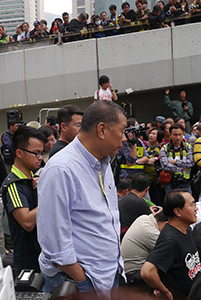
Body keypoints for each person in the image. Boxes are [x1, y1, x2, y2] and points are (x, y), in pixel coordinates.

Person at [37, 100, 127, 295]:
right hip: (79, 283)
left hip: (105, 275)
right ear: (101, 130)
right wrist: (82, 280)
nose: (125, 138)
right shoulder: (61, 169)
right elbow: (54, 242)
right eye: (122, 131)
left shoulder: (103, 162)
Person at [2, 126, 46, 277]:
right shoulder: (13, 184)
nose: (40, 157)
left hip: (43, 258)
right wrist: (49, 198)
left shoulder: (34, 179)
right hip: (29, 264)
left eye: (42, 153)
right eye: (36, 153)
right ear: (19, 153)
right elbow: (27, 222)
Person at [141, 189, 201, 299]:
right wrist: (165, 292)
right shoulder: (170, 239)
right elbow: (147, 271)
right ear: (177, 211)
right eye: (192, 205)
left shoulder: (186, 230)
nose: (196, 208)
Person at [121, 211, 168, 284]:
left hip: (125, 271)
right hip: (133, 275)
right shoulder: (152, 233)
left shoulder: (144, 218)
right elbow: (174, 253)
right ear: (165, 225)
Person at [160, 123, 194, 194]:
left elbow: (191, 163)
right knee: (171, 203)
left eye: (180, 134)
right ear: (170, 135)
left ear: (183, 134)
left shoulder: (188, 147)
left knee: (188, 203)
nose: (178, 137)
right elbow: (164, 165)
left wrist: (176, 161)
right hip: (170, 181)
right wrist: (181, 169)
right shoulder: (165, 148)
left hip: (185, 181)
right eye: (175, 135)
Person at [118, 173, 152, 237]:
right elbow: (152, 219)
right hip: (129, 235)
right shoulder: (140, 202)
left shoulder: (124, 199)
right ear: (147, 189)